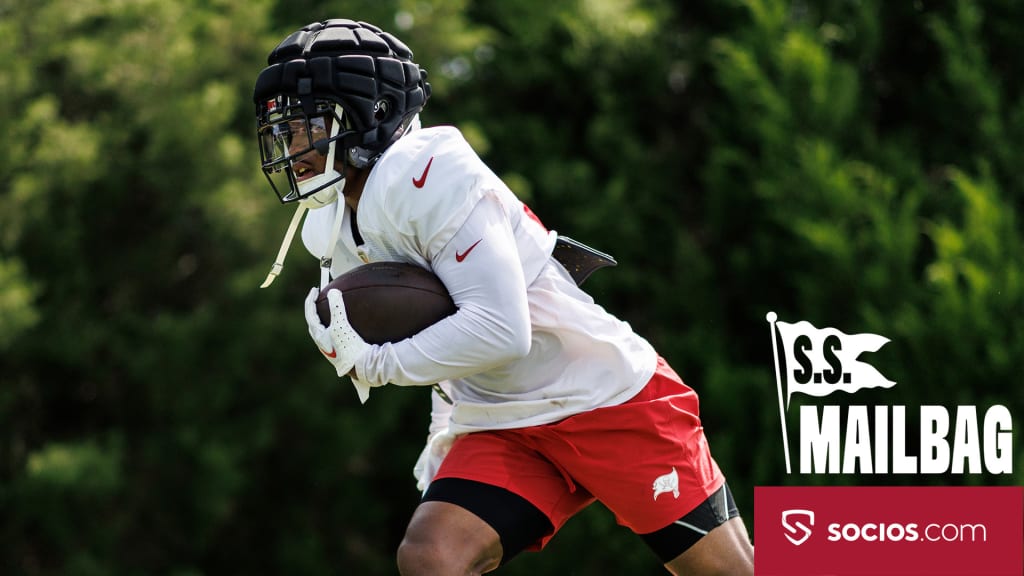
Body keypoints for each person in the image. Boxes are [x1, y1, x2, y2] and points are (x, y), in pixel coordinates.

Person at [253, 18, 755, 575]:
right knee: (431, 556)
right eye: (285, 129)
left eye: (307, 125)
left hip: (604, 398)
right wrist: (442, 421)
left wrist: (379, 363)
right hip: (503, 417)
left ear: (368, 114)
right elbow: (428, 320)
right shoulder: (333, 220)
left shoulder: (425, 173)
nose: (292, 146)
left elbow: (500, 330)